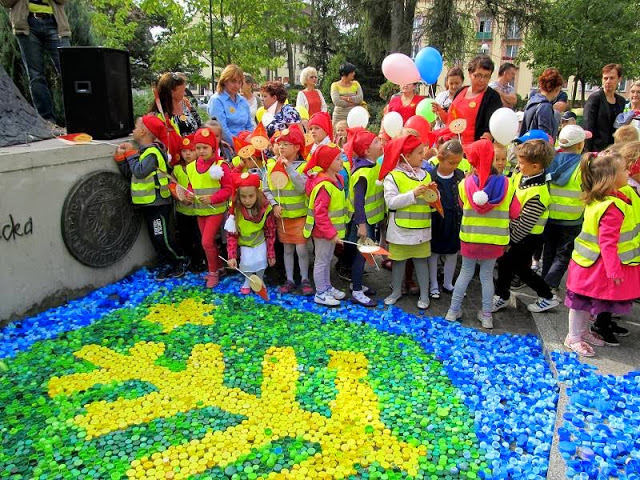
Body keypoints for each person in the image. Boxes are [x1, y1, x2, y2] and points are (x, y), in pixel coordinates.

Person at [563, 151, 639, 356]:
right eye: (624, 170)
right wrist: (614, 270)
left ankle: (582, 332)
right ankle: (573, 337)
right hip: (595, 264)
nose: (628, 172)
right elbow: (608, 242)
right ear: (611, 177)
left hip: (591, 262)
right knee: (581, 302)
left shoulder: (610, 198)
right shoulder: (612, 206)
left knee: (587, 301)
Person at [113, 116, 188, 281]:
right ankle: (165, 263)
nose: (132, 130)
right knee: (155, 237)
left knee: (161, 236)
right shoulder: (143, 152)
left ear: (143, 131)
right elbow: (132, 174)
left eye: (135, 127)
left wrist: (130, 153)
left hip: (158, 203)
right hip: (148, 203)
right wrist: (121, 159)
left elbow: (140, 171)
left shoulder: (152, 152)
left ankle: (179, 260)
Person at [493, 138, 559, 314]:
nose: (518, 166)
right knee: (507, 265)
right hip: (515, 233)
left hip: (526, 238)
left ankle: (547, 296)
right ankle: (502, 295)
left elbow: (525, 224)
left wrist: (509, 240)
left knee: (519, 269)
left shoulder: (538, 193)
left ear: (535, 166)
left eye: (522, 163)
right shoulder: (523, 176)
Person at [379, 134, 432, 310]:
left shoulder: (426, 175)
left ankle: (424, 295)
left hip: (422, 230)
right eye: (419, 153)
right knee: (398, 262)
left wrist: (435, 198)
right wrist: (413, 194)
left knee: (421, 262)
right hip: (400, 232)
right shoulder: (393, 176)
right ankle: (396, 292)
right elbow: (391, 202)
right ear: (406, 156)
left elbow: (431, 204)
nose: (423, 156)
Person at [2, 0, 71, 126]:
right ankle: (47, 122)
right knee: (36, 76)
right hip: (27, 24)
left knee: (70, 73)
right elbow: (6, 2)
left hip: (55, 23)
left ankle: (78, 118)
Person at [542, 125, 591, 293]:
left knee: (549, 251)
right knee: (563, 255)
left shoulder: (551, 161)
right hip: (572, 220)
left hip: (550, 216)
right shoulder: (583, 165)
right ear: (580, 144)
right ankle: (550, 286)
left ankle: (544, 283)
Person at [265, 126, 314, 296]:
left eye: (286, 144)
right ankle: (290, 279)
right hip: (283, 218)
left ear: (297, 147)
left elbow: (302, 188)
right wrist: (274, 205)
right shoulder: (271, 165)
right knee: (287, 250)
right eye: (280, 144)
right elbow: (266, 189)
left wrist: (290, 169)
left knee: (301, 250)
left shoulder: (304, 166)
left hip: (300, 216)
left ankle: (305, 279)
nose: (281, 147)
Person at [303, 144, 351, 306]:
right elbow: (320, 214)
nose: (341, 161)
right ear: (327, 163)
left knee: (327, 259)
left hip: (331, 232)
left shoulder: (337, 179)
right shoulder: (324, 186)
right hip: (323, 233)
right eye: (337, 159)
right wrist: (332, 234)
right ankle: (321, 293)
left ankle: (327, 287)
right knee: (321, 261)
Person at [186, 128, 233, 288]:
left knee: (206, 242)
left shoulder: (221, 165)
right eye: (198, 147)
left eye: (205, 147)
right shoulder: (191, 167)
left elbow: (228, 189)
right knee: (208, 242)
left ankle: (213, 272)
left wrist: (212, 199)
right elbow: (191, 184)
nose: (201, 151)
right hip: (200, 211)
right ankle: (219, 267)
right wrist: (189, 193)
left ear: (213, 147)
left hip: (216, 210)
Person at [344, 128, 384, 307]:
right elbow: (359, 201)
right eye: (376, 142)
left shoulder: (373, 166)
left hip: (369, 219)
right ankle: (357, 291)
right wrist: (361, 224)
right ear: (367, 150)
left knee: (363, 254)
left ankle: (356, 283)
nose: (380, 143)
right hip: (363, 221)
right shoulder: (362, 173)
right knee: (362, 255)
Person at [433, 55, 502, 146]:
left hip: (472, 148)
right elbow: (452, 120)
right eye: (478, 75)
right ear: (470, 73)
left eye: (486, 76)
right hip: (450, 144)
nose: (482, 80)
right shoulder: (461, 91)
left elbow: (490, 129)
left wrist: (482, 144)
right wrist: (441, 112)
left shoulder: (492, 97)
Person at [225, 173, 276, 294]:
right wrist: (231, 256)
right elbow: (231, 235)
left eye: (251, 196)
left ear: (257, 193)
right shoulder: (235, 210)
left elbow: (270, 231)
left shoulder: (265, 208)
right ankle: (248, 280)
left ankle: (260, 279)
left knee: (261, 261)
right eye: (243, 197)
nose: (247, 201)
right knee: (246, 263)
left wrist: (271, 253)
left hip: (260, 241)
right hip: (245, 243)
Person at [426, 140, 464, 299]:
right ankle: (433, 283)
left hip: (454, 220)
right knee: (433, 253)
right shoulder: (431, 176)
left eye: (457, 163)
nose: (454, 166)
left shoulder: (459, 175)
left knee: (452, 253)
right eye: (451, 162)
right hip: (436, 220)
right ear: (441, 158)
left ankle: (448, 282)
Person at [170, 134, 206, 272]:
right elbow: (172, 186)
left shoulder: (201, 167)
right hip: (183, 211)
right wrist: (180, 198)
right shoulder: (177, 169)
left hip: (198, 211)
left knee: (199, 238)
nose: (188, 154)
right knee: (185, 237)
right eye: (184, 151)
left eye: (191, 150)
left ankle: (200, 261)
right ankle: (189, 260)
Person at [207, 64, 254, 146]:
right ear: (224, 81)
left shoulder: (243, 101)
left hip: (246, 145)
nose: (237, 86)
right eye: (233, 81)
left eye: (239, 82)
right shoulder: (216, 100)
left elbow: (249, 126)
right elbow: (222, 130)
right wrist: (239, 144)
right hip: (227, 147)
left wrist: (250, 140)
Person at [583, 64, 626, 152]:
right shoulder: (595, 98)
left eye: (612, 78)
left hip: (615, 149)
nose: (608, 81)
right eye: (605, 78)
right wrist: (588, 152)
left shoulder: (621, 101)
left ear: (619, 79)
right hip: (596, 149)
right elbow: (588, 126)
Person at [149, 72, 202, 137]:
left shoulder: (186, 104)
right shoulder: (158, 114)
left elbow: (199, 124)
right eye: (182, 91)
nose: (185, 93)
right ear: (171, 92)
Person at [520, 68, 564, 141]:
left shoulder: (532, 101)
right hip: (537, 146)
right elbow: (545, 137)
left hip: (526, 144)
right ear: (557, 89)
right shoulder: (545, 106)